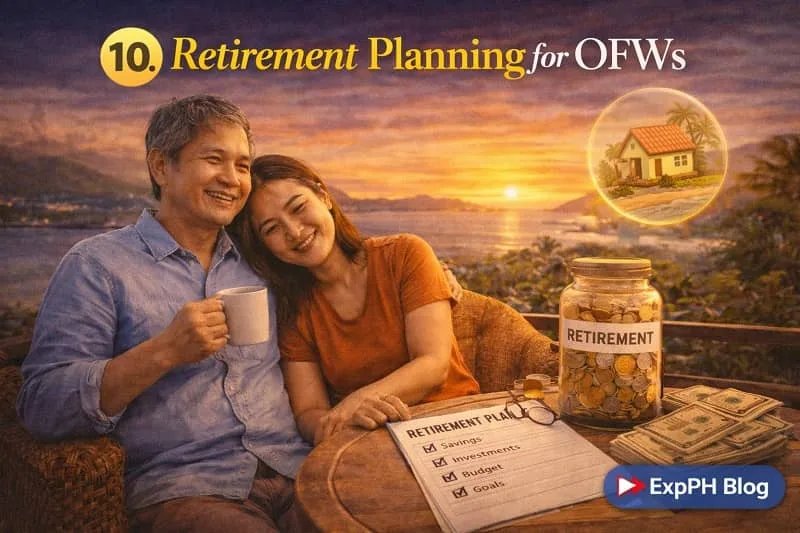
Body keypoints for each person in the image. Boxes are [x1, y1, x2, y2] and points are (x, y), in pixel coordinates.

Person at [16, 95, 311, 533]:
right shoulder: (97, 265)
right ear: (160, 167)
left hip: (297, 471)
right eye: (214, 159)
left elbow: (332, 273)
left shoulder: (260, 256)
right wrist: (164, 352)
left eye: (244, 165)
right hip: (188, 490)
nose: (232, 180)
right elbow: (42, 405)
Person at [230, 155, 480, 446]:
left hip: (456, 423)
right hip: (372, 445)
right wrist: (331, 425)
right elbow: (309, 412)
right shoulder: (294, 310)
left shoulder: (404, 255)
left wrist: (355, 402)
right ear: (264, 247)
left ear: (323, 196)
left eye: (298, 208)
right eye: (271, 229)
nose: (294, 232)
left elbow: (434, 364)